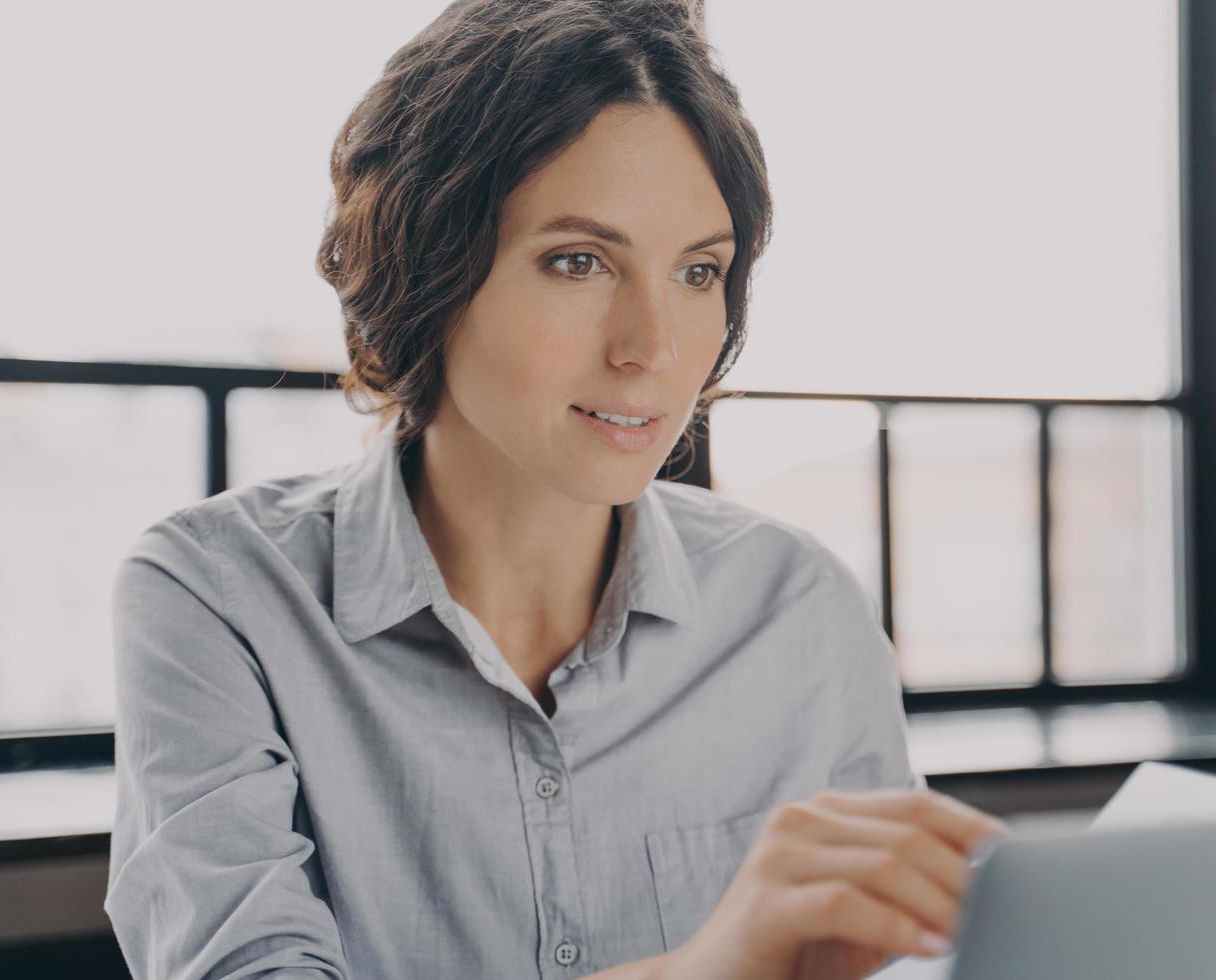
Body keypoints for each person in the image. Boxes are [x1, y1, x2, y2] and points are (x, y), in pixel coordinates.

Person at [103, 1, 1006, 978]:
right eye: (579, 261)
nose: (653, 349)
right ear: (428, 268)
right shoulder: (217, 595)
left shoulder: (801, 610)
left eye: (699, 271)